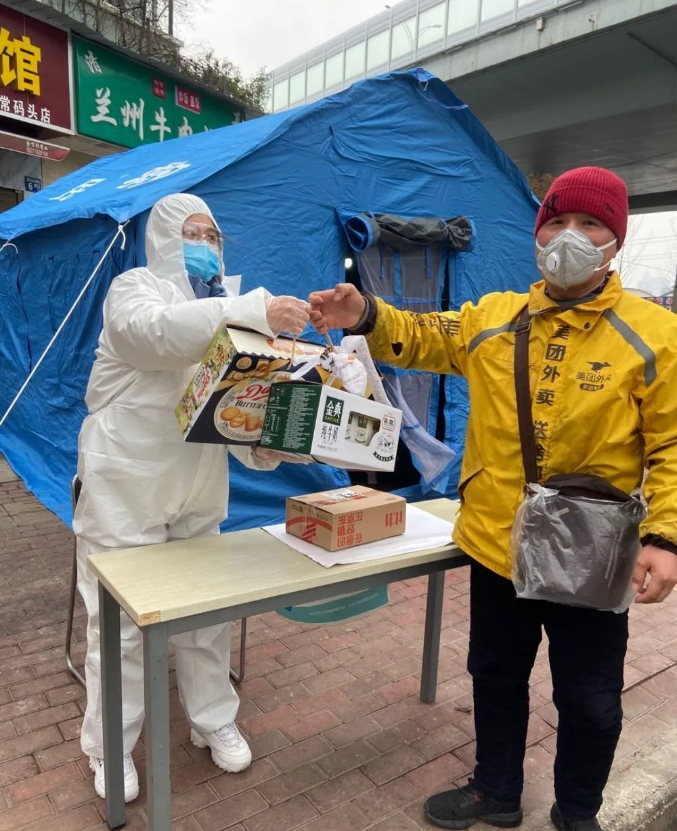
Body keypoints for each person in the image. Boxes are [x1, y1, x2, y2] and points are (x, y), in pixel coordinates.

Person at [308, 167, 677, 831]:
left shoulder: (655, 335)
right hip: (495, 543)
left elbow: (672, 443)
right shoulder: (494, 318)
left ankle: (577, 811)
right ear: (537, 234)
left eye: (589, 223)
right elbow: (423, 334)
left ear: (614, 240)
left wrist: (665, 537)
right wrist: (364, 314)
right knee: (494, 675)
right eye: (556, 221)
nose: (569, 236)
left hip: (590, 555)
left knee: (589, 698)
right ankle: (496, 790)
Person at [73, 193, 309, 803]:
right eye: (193, 232)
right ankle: (110, 746)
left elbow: (227, 412)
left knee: (206, 617)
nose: (206, 244)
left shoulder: (228, 311)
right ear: (163, 238)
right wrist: (255, 310)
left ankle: (213, 720)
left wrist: (272, 444)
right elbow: (154, 336)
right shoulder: (135, 290)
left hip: (197, 487)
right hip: (125, 487)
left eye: (214, 235)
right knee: (121, 625)